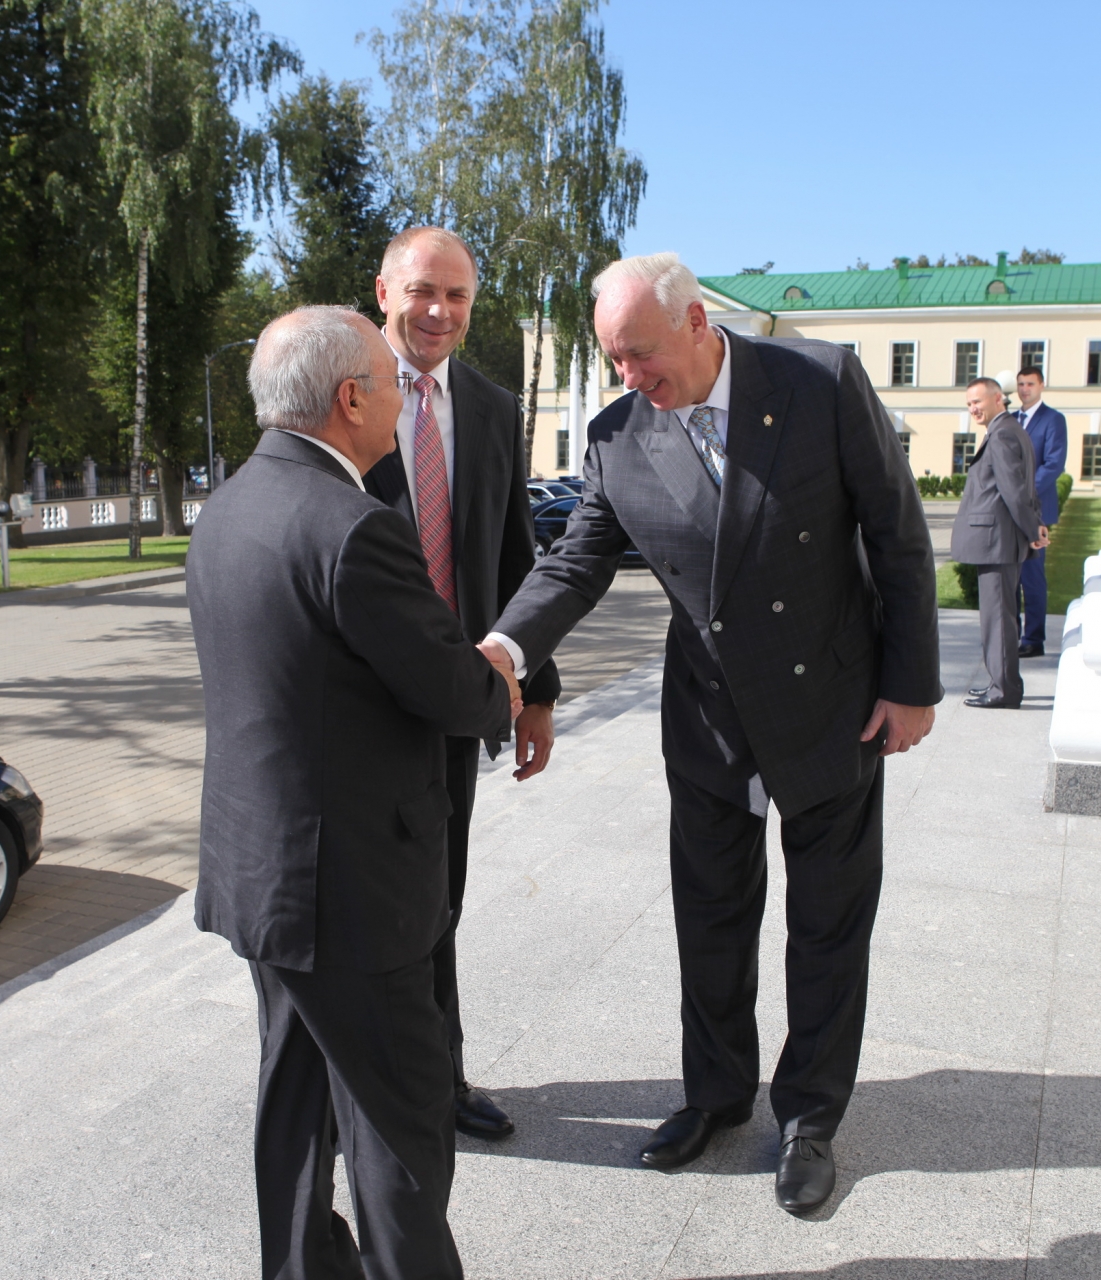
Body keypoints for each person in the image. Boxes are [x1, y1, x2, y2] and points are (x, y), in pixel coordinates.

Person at [477, 252, 941, 1215]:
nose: (628, 376)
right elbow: (574, 565)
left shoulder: (819, 381)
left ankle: (809, 1118)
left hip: (830, 703)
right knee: (712, 921)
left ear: (696, 323)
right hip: (710, 718)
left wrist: (911, 686)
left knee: (827, 926)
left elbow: (895, 529)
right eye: (613, 359)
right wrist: (505, 651)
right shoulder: (617, 437)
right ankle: (717, 1096)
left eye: (639, 353)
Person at [186, 306, 520, 1280]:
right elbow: (453, 691)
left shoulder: (228, 507)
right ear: (349, 400)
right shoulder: (356, 526)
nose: (403, 401)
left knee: (294, 1101)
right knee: (400, 1127)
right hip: (352, 891)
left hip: (262, 877)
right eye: (389, 384)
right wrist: (501, 674)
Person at [365, 226, 562, 1141]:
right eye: (422, 291)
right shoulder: (341, 389)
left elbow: (520, 561)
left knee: (438, 900)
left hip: (457, 702)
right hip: (360, 708)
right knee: (367, 907)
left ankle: (438, 1080)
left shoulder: (489, 406)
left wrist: (537, 692)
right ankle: (357, 1088)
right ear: (383, 292)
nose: (439, 312)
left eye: (458, 296)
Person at [950, 377, 1048, 709]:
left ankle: (1003, 690)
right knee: (1002, 616)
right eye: (969, 404)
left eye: (977, 401)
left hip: (997, 541)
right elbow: (1024, 487)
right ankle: (1002, 683)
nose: (973, 409)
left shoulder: (1003, 433)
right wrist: (1036, 525)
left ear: (997, 399)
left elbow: (1014, 490)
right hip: (1000, 540)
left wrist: (1033, 530)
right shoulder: (1008, 429)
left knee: (998, 619)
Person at [1011, 366, 1067, 657]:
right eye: (1021, 384)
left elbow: (1054, 464)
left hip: (1036, 510)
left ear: (1041, 385)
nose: (1025, 389)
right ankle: (1010, 637)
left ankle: (1033, 639)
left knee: (1032, 577)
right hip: (1008, 510)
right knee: (1010, 578)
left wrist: (1024, 493)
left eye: (1030, 384)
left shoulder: (1053, 420)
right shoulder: (1010, 420)